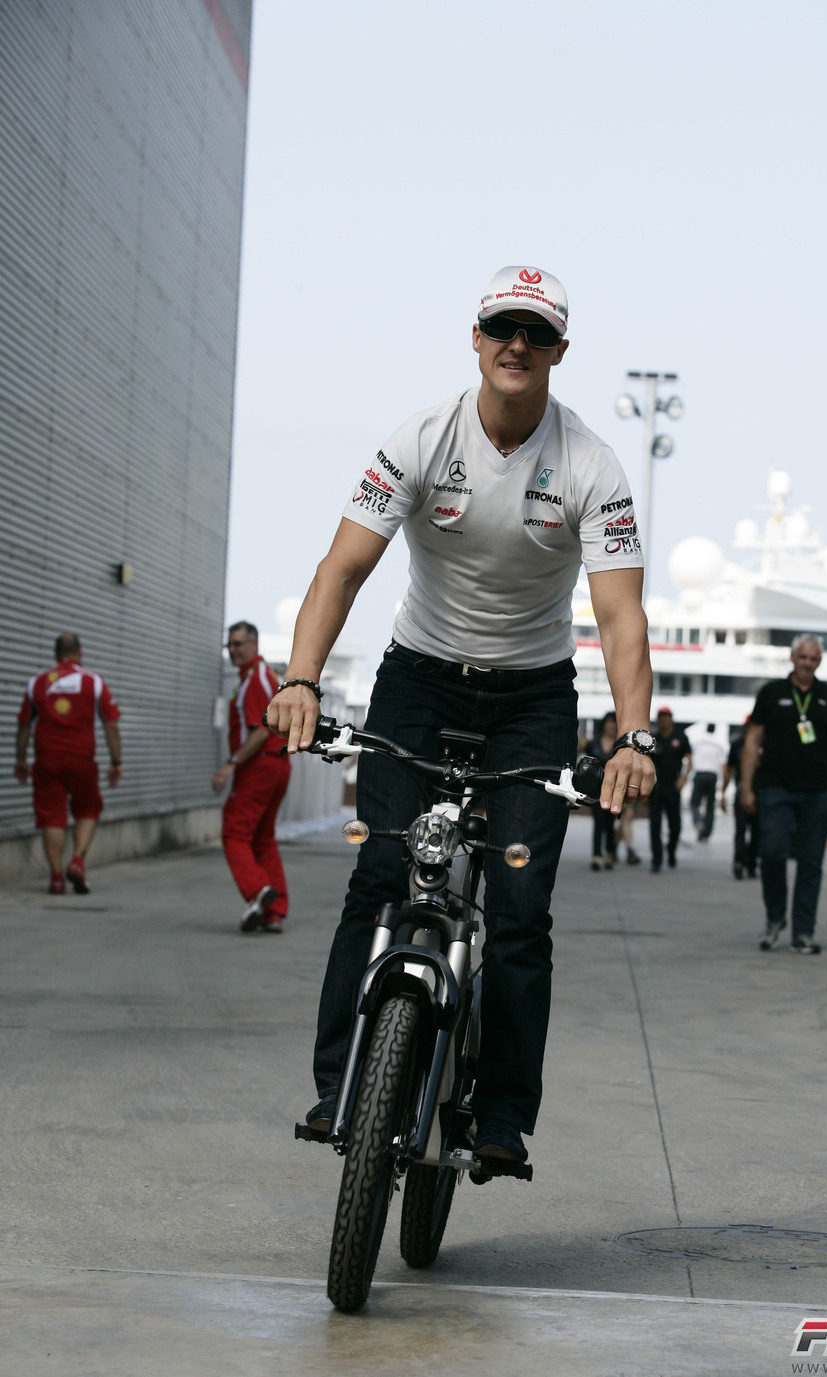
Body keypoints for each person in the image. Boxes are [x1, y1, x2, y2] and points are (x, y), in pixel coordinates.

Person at [266, 264, 657, 1165]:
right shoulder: (419, 438)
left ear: (560, 350)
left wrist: (633, 732)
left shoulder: (592, 464)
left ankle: (505, 1114)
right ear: (475, 339)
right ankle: (339, 1089)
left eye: (537, 332)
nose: (517, 344)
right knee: (377, 882)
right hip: (418, 678)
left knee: (518, 906)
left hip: (531, 694)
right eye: (501, 328)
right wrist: (300, 679)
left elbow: (620, 614)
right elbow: (341, 569)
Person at [739, 633, 827, 955]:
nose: (807, 664)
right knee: (773, 853)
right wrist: (746, 786)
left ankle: (803, 932)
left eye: (814, 659)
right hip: (775, 788)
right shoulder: (771, 693)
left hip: (818, 792)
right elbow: (752, 740)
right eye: (803, 658)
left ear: (819, 661)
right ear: (793, 658)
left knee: (811, 862)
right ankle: (775, 918)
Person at [14, 632, 122, 894]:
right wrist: (116, 760)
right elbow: (110, 725)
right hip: (81, 759)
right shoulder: (93, 682)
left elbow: (24, 726)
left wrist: (20, 760)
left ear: (55, 654)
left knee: (52, 816)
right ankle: (76, 861)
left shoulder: (37, 683)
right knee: (87, 809)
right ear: (80, 653)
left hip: (47, 760)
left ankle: (56, 879)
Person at [211, 622, 291, 933]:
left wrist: (231, 762)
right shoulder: (260, 676)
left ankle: (258, 892)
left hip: (259, 765)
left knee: (234, 832)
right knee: (262, 838)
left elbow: (262, 728)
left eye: (238, 644)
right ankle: (274, 911)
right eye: (229, 645)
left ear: (254, 644)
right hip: (274, 765)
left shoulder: (256, 677)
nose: (233, 650)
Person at [648, 706, 691, 871]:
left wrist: (683, 777)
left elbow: (688, 759)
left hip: (674, 787)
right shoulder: (654, 738)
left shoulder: (680, 738)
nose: (663, 720)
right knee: (655, 825)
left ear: (671, 718)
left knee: (675, 825)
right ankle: (656, 859)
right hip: (657, 788)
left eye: (666, 716)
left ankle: (671, 850)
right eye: (661, 716)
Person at [721, 722, 758, 879]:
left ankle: (752, 863)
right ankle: (738, 862)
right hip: (742, 792)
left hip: (760, 794)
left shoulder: (765, 742)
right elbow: (728, 768)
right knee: (740, 831)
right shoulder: (737, 744)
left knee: (758, 832)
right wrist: (723, 791)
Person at [584, 711, 621, 870]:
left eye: (614, 722)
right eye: (609, 721)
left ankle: (609, 854)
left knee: (610, 824)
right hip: (596, 790)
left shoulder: (621, 744)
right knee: (598, 823)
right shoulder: (593, 743)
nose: (611, 725)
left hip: (615, 789)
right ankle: (596, 855)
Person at [689, 723, 726, 841]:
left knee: (694, 803)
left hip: (700, 774)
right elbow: (723, 765)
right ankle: (706, 833)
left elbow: (690, 758)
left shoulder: (698, 742)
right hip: (712, 776)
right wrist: (723, 783)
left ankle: (699, 823)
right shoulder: (719, 744)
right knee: (710, 807)